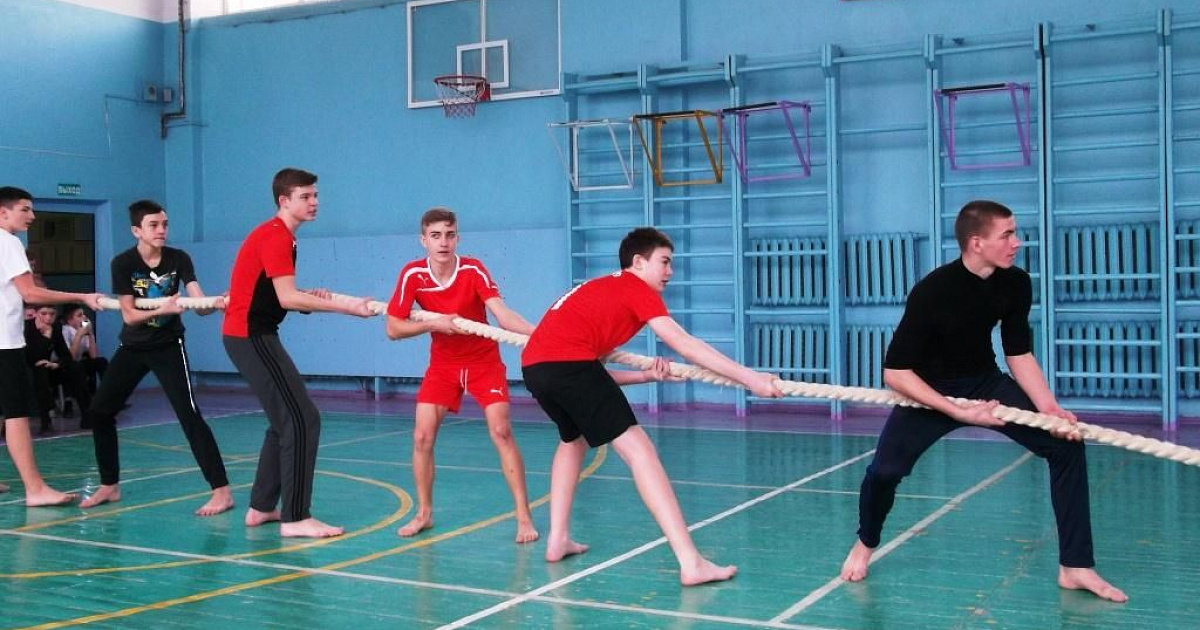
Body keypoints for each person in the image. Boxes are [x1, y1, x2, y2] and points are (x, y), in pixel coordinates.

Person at [838, 200, 1128, 603]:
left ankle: (1075, 566)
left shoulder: (1015, 282)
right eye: (1007, 235)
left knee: (1066, 445)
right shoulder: (933, 291)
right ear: (977, 243)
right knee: (884, 473)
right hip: (928, 391)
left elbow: (1018, 351)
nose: (1017, 242)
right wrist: (956, 410)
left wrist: (1048, 408)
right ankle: (865, 542)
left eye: (1015, 233)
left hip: (984, 383)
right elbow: (896, 372)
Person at [521, 227, 783, 585]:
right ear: (638, 262)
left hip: (535, 369)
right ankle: (691, 562)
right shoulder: (635, 288)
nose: (670, 271)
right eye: (665, 262)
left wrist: (645, 377)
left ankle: (558, 539)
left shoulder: (601, 289)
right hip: (568, 367)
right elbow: (684, 344)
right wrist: (750, 379)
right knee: (640, 451)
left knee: (573, 441)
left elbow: (590, 376)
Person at [222, 168, 374, 538]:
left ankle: (261, 507)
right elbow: (287, 298)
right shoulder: (276, 236)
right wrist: (347, 308)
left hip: (252, 335)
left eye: (315, 195)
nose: (314, 202)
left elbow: (280, 293)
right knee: (303, 419)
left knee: (285, 420)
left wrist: (308, 296)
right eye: (305, 197)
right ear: (284, 201)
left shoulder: (280, 235)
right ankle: (295, 518)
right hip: (251, 336)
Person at [385, 207, 539, 543]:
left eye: (449, 235)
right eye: (435, 236)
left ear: (458, 238)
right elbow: (393, 328)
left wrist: (539, 335)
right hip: (443, 365)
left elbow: (502, 316)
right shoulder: (413, 275)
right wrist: (433, 323)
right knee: (421, 437)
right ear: (423, 240)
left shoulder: (473, 269)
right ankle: (424, 513)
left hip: (484, 362)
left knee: (501, 431)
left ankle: (524, 517)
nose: (443, 242)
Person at [79, 200, 233, 516]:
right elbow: (129, 315)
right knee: (99, 411)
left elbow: (197, 303)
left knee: (189, 415)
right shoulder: (123, 263)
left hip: (168, 346)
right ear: (137, 230)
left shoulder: (179, 259)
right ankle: (110, 484)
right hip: (133, 347)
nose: (161, 230)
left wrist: (214, 303)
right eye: (153, 225)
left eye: (164, 224)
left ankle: (221, 491)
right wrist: (163, 308)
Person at [0, 186, 104, 506]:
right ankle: (35, 490)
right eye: (25, 209)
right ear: (3, 212)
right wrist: (81, 296)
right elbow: (30, 293)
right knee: (16, 415)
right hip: (5, 344)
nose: (32, 216)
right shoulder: (8, 243)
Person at [24, 304, 89, 434]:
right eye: (44, 314)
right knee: (40, 370)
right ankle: (46, 421)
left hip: (48, 367)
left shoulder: (56, 328)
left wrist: (57, 364)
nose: (48, 318)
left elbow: (66, 355)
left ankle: (88, 416)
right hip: (27, 372)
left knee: (75, 367)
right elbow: (33, 357)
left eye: (52, 314)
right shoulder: (27, 328)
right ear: (36, 314)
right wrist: (46, 336)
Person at [62, 304, 108, 393]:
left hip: (78, 364)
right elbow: (69, 358)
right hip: (65, 366)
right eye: (79, 315)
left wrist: (91, 334)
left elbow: (94, 356)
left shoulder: (82, 331)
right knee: (77, 367)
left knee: (101, 361)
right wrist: (79, 335)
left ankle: (107, 393)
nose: (84, 317)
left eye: (84, 314)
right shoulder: (65, 330)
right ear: (70, 321)